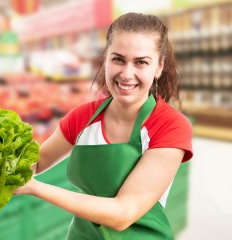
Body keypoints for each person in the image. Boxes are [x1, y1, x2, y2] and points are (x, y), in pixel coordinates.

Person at [13, 12, 193, 240]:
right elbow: (36, 162)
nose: (127, 74)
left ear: (158, 67)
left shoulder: (170, 126)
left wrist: (35, 188)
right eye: (118, 59)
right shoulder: (83, 117)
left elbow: (124, 212)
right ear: (105, 60)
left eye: (141, 62)